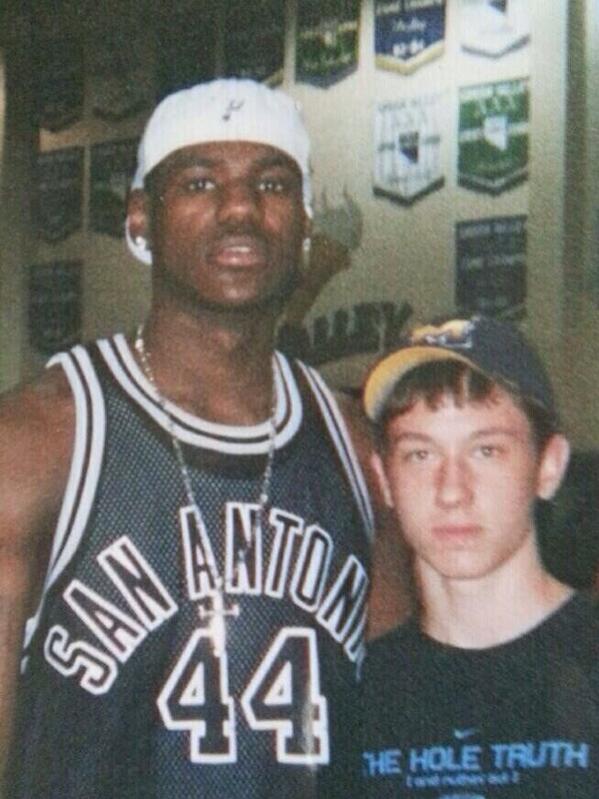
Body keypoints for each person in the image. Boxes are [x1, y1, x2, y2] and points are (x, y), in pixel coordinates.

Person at [0, 78, 406, 799]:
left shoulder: (358, 449)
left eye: (272, 183)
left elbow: (399, 731)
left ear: (306, 221)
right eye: (198, 182)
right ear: (140, 221)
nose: (241, 208)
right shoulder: (40, 438)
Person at [359, 316, 599, 797]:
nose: (452, 491)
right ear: (384, 480)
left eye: (486, 450)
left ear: (548, 466)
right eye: (420, 455)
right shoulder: (359, 691)